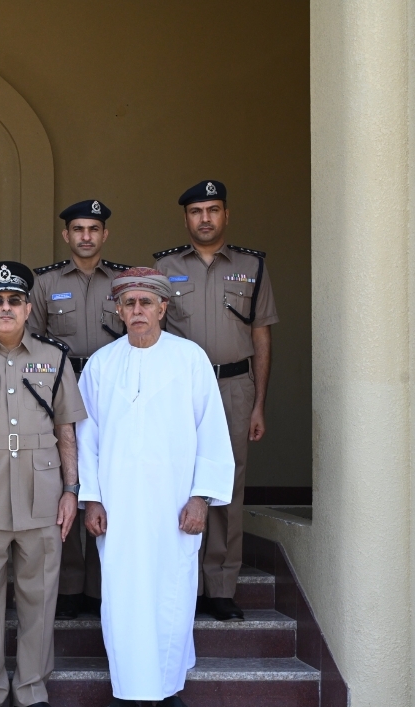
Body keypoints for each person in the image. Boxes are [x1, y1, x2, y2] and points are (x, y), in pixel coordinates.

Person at [77, 267, 235, 706]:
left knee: (171, 594)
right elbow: (85, 439)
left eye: (146, 302)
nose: (138, 310)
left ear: (163, 308)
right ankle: (127, 689)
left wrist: (200, 498)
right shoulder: (101, 365)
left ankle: (167, 690)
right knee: (122, 598)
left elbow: (212, 433)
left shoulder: (190, 359)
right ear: (119, 310)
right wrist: (91, 500)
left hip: (174, 507)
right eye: (129, 303)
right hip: (120, 509)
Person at [0, 261, 86, 707]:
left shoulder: (54, 357)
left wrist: (70, 490)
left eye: (14, 301)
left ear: (28, 309)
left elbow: (67, 428)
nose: (5, 308)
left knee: (39, 594)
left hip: (41, 491)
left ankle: (31, 687)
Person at [153, 180, 278, 622]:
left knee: (227, 485)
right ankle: (181, 579)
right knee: (177, 482)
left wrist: (259, 402)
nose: (204, 218)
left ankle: (220, 585)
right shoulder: (163, 268)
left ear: (226, 215)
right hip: (178, 390)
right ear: (186, 218)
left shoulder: (252, 267)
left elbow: (261, 337)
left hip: (234, 387)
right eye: (196, 211)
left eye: (213, 210)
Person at [27, 199, 131, 619]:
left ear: (105, 235)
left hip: (114, 394)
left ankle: (101, 582)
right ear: (66, 236)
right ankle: (70, 584)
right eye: (78, 229)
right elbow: (30, 341)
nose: (86, 236)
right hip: (62, 390)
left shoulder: (125, 281)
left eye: (94, 229)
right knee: (66, 481)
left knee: (111, 479)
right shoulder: (45, 283)